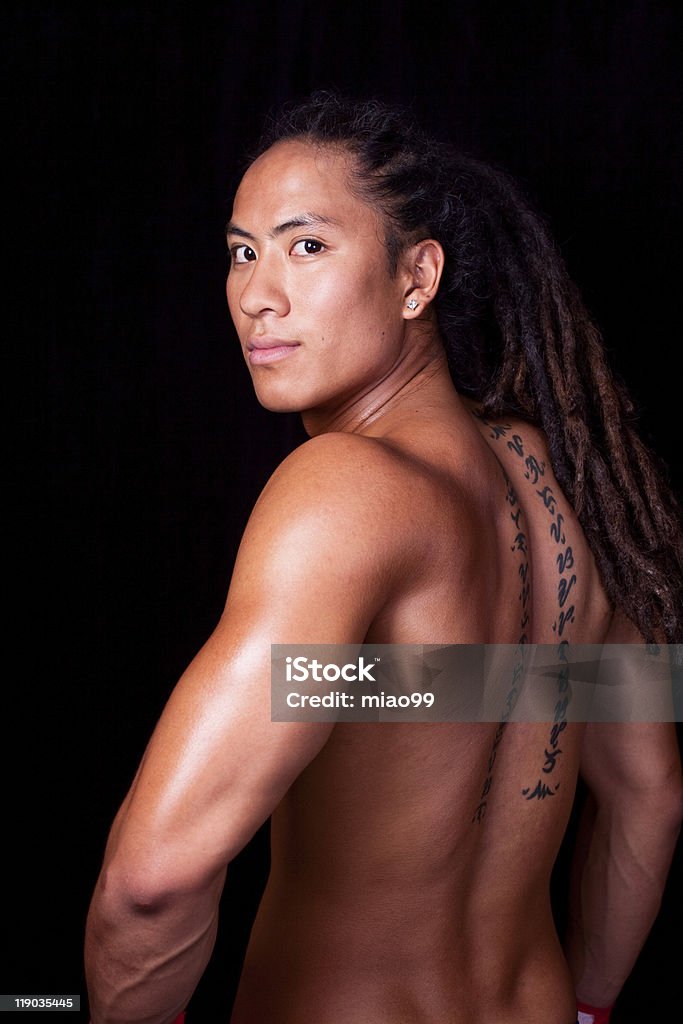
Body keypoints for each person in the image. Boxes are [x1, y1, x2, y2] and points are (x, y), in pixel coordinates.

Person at [84, 92, 683, 1024]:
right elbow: (649, 797)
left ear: (417, 279)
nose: (256, 293)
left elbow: (155, 881)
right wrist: (591, 1007)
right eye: (242, 252)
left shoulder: (340, 492)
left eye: (306, 246)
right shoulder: (572, 484)